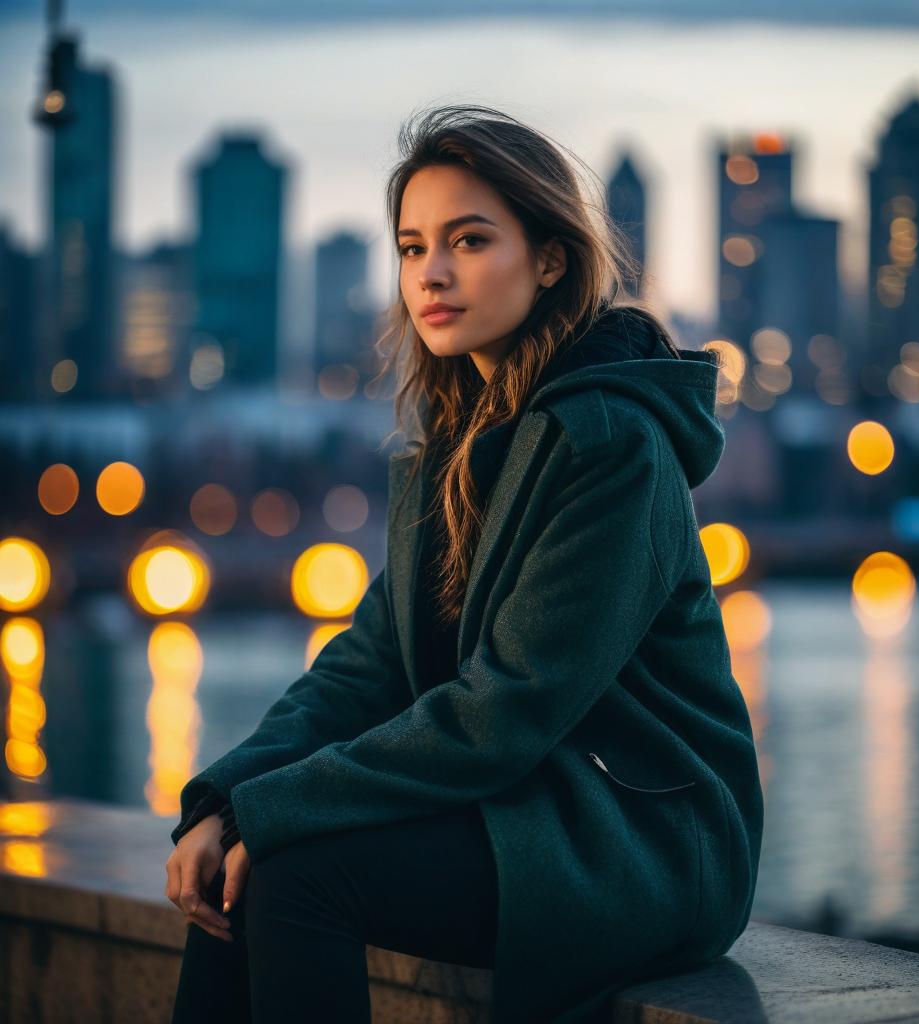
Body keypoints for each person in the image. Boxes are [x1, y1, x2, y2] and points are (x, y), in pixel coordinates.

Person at [166, 103, 763, 1024]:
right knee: (249, 870)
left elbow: (504, 710)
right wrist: (229, 798)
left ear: (551, 258)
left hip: (639, 840)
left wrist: (270, 814)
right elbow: (365, 669)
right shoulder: (452, 447)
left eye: (469, 240)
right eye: (411, 248)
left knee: (296, 876)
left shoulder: (613, 447)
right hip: (521, 806)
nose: (432, 274)